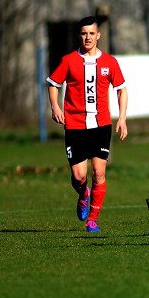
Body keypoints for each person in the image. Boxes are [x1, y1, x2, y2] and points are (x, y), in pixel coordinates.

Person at [47, 16, 128, 233]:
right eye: (84, 33)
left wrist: (122, 117)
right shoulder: (69, 60)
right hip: (74, 125)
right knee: (79, 176)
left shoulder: (110, 62)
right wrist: (55, 106)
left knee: (98, 173)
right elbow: (53, 84)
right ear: (79, 36)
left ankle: (93, 219)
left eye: (92, 33)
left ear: (98, 35)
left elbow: (121, 89)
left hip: (101, 125)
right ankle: (83, 194)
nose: (88, 37)